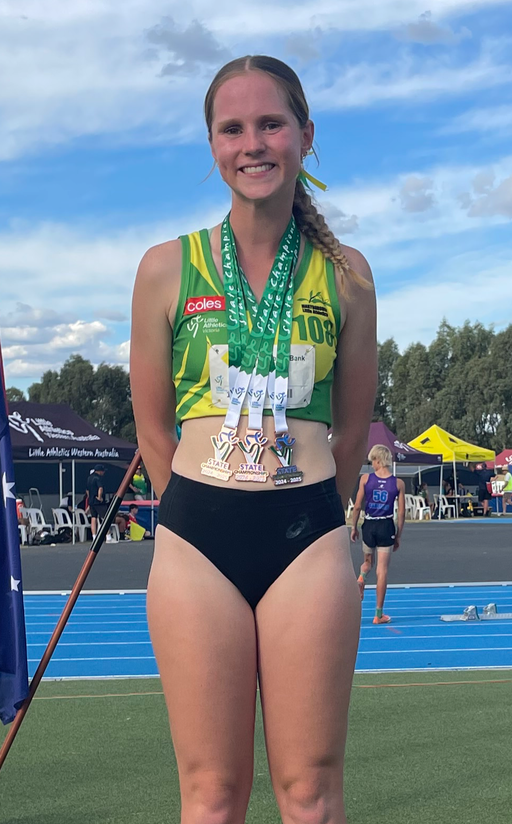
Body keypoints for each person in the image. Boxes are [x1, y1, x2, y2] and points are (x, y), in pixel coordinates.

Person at [130, 55, 376, 823]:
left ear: (306, 135)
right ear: (212, 144)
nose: (252, 144)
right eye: (232, 128)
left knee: (310, 794)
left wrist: (315, 512)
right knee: (211, 796)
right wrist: (194, 509)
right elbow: (152, 427)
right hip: (198, 539)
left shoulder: (347, 275)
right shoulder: (166, 268)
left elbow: (354, 428)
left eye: (271, 124)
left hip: (307, 534)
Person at [347, 444, 405, 624]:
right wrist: (398, 534)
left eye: (372, 461)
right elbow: (401, 513)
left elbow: (357, 506)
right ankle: (378, 614)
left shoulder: (365, 479)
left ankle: (362, 577)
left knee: (367, 562)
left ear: (378, 460)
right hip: (386, 525)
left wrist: (354, 527)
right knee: (382, 570)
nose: (371, 464)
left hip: (369, 524)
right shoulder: (398, 483)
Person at [84, 464, 107, 535]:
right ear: (100, 471)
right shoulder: (98, 478)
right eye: (103, 471)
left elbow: (87, 490)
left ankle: (94, 535)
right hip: (98, 502)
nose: (103, 473)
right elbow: (100, 488)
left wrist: (90, 497)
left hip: (91, 501)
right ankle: (108, 535)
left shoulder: (89, 478)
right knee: (105, 518)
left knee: (93, 518)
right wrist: (99, 497)